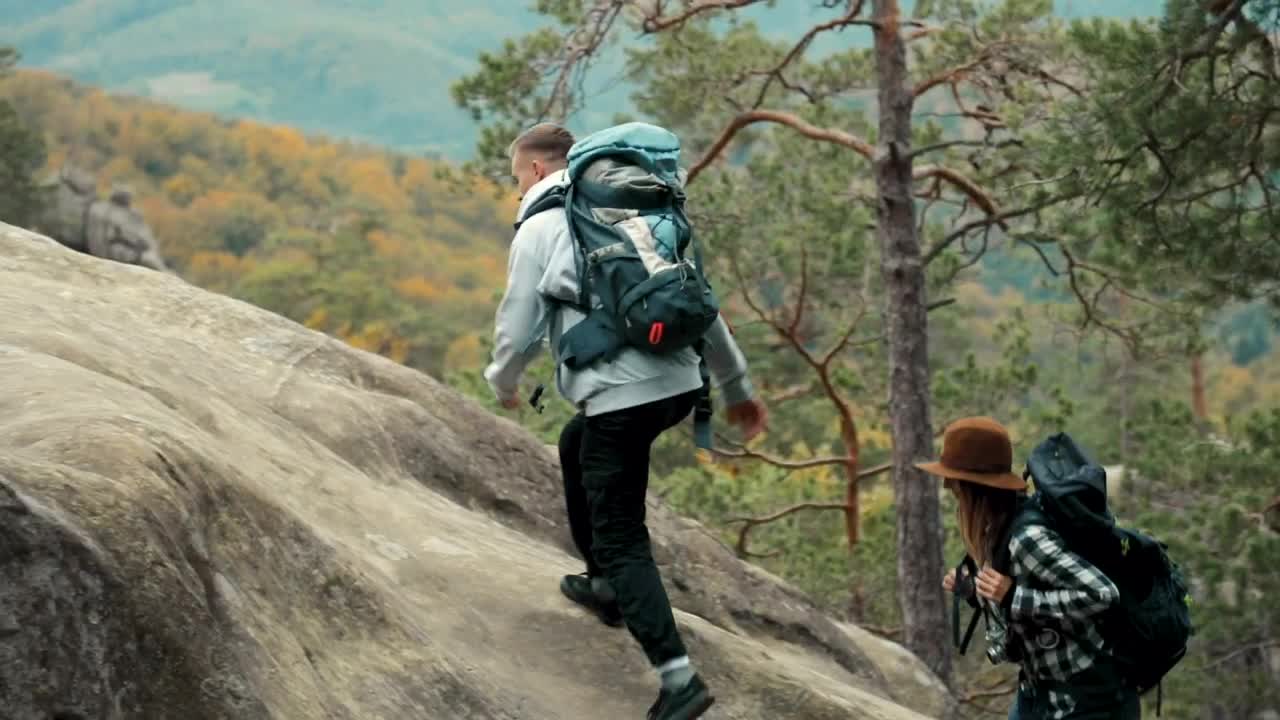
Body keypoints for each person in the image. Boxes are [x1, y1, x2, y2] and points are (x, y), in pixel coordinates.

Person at [484, 122, 768, 720]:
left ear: (536, 171)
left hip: (625, 395)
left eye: (515, 177)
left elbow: (515, 326)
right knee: (574, 441)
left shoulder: (542, 227)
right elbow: (700, 303)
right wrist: (736, 385)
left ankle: (677, 678)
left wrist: (504, 383)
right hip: (679, 384)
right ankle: (604, 582)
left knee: (623, 533)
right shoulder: (643, 217)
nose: (516, 188)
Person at [916, 417, 1140, 720]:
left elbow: (1102, 594)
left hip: (1090, 703)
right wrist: (976, 594)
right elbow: (1019, 628)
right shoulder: (1000, 531)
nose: (947, 486)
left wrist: (1013, 596)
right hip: (1040, 695)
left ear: (974, 487)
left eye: (953, 481)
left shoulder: (1027, 538)